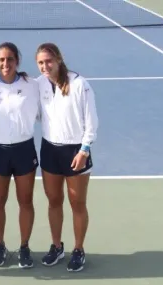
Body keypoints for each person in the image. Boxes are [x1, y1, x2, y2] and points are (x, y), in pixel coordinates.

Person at [34, 42, 99, 272]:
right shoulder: (39, 85)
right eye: (40, 62)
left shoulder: (80, 84)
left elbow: (91, 122)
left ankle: (78, 249)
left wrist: (84, 150)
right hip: (50, 150)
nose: (45, 66)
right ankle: (56, 246)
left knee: (77, 203)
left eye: (48, 61)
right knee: (54, 201)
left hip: (75, 152)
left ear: (59, 59)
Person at [0, 42, 40, 268]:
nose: (6, 64)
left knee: (25, 200)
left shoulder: (32, 85)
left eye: (10, 59)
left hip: (24, 150)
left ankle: (24, 247)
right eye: (1, 60)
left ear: (17, 61)